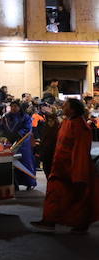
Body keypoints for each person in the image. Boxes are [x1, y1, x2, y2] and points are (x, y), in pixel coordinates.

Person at [32, 99, 99, 233]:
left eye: (66, 105)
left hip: (71, 169)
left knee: (77, 198)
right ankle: (49, 220)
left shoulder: (81, 127)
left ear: (73, 109)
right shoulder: (66, 122)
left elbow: (80, 151)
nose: (62, 106)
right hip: (59, 167)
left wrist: (78, 172)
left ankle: (80, 224)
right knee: (54, 194)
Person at [1, 101, 36, 190]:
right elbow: (1, 128)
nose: (13, 108)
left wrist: (18, 135)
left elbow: (28, 128)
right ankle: (14, 184)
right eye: (12, 106)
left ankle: (29, 182)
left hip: (22, 143)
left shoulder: (25, 117)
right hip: (9, 142)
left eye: (15, 106)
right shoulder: (6, 117)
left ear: (19, 107)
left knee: (25, 162)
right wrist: (3, 136)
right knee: (10, 164)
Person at [37, 111, 60, 178]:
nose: (50, 123)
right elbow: (43, 140)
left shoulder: (58, 129)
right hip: (46, 154)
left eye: (52, 121)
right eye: (49, 121)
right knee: (47, 170)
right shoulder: (45, 129)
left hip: (55, 154)